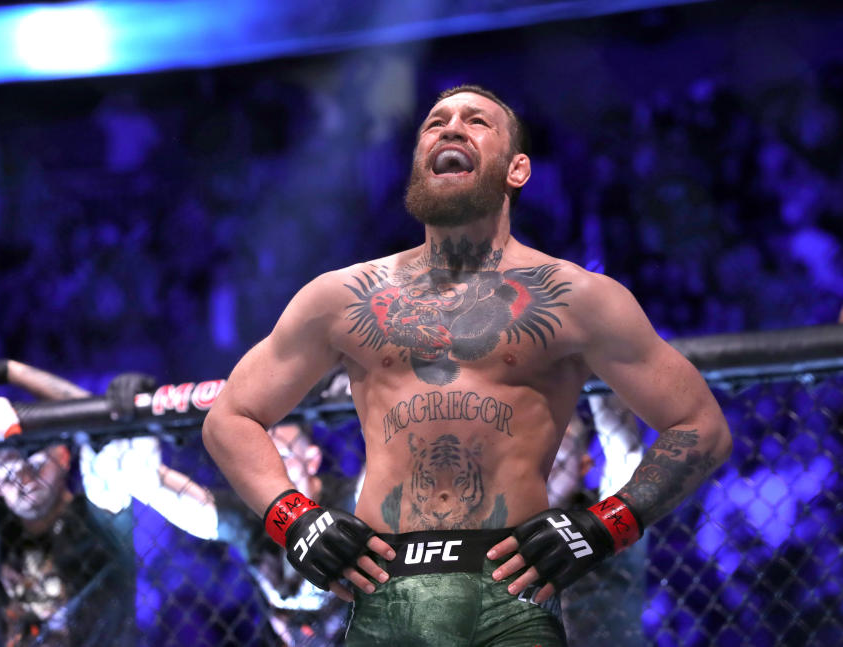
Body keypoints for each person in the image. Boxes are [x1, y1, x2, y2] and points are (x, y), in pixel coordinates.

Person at [201, 84, 732, 646]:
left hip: (510, 594)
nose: (450, 128)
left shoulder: (577, 298)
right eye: (435, 122)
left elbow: (701, 425)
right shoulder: (343, 296)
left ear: (517, 170)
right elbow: (230, 417)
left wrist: (604, 526)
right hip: (383, 591)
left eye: (476, 121)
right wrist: (297, 520)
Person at [0, 359, 221, 647]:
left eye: (38, 464)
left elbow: (102, 432)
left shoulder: (97, 512)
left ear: (64, 456)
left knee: (105, 460)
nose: (25, 481)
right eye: (10, 472)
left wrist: (11, 371)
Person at [216, 420, 359, 646]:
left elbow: (394, 464)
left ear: (311, 460)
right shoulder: (251, 515)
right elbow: (154, 485)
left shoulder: (349, 502)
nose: (270, 472)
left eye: (282, 456)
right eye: (259, 462)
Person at [546, 394, 646, 644]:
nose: (547, 442)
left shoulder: (603, 515)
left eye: (562, 434)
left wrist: (598, 369)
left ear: (584, 463)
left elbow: (628, 458)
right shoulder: (492, 519)